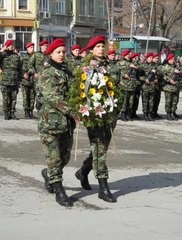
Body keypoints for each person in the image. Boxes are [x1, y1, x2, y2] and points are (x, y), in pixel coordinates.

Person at [71, 35, 121, 203]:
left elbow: (113, 88)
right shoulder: (86, 67)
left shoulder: (108, 65)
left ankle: (83, 171)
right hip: (93, 115)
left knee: (101, 149)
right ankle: (103, 187)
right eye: (98, 46)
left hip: (108, 113)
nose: (101, 48)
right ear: (91, 49)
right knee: (99, 149)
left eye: (103, 46)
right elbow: (80, 90)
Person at [38, 38, 79, 207]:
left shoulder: (67, 72)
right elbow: (52, 97)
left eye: (63, 52)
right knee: (54, 159)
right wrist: (72, 111)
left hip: (67, 123)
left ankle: (49, 174)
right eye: (58, 52)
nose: (62, 54)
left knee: (65, 157)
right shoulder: (47, 73)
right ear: (51, 53)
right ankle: (59, 191)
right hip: (51, 123)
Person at [0, 40, 22, 120]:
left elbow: (20, 68)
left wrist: (20, 79)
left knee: (14, 98)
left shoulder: (16, 56)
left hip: (14, 80)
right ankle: (6, 113)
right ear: (6, 46)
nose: (12, 46)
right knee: (6, 98)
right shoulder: (2, 55)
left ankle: (12, 113)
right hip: (5, 80)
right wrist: (1, 51)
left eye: (13, 45)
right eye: (10, 45)